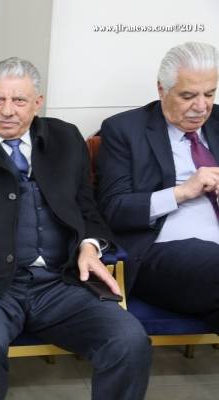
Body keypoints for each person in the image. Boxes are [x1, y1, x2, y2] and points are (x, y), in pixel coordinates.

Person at [0, 57, 151, 400]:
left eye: (19, 100)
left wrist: (89, 246)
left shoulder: (66, 137)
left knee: (129, 340)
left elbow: (87, 207)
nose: (6, 111)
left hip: (61, 282)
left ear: (38, 102)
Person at [97, 42, 219, 329]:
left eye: (209, 94)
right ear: (162, 89)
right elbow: (114, 209)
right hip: (160, 253)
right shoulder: (124, 130)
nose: (201, 107)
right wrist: (182, 192)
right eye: (188, 96)